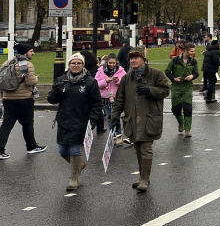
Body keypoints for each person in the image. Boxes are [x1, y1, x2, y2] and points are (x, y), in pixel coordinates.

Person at [110, 48, 170, 193]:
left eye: (136, 58)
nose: (133, 61)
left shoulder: (156, 74)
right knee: (137, 148)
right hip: (132, 118)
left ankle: (144, 179)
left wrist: (150, 90)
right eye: (131, 58)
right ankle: (143, 176)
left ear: (143, 59)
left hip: (149, 118)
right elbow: (120, 99)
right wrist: (115, 116)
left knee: (146, 149)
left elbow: (165, 90)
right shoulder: (126, 78)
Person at [47, 53, 102, 191]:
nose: (76, 65)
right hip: (64, 120)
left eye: (79, 63)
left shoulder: (90, 82)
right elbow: (51, 100)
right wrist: (56, 92)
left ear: (82, 65)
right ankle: (78, 165)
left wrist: (93, 120)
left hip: (81, 121)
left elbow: (97, 103)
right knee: (62, 150)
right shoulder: (61, 80)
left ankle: (74, 179)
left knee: (74, 149)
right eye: (73, 63)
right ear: (69, 65)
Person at [0, 43, 46, 159]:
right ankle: (31, 146)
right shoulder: (26, 64)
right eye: (31, 51)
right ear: (25, 52)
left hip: (8, 99)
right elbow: (30, 82)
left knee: (6, 125)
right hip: (24, 99)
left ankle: (0, 149)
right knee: (27, 124)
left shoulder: (7, 63)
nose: (33, 53)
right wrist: (36, 78)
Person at [165, 42, 199, 137]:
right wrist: (174, 79)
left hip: (187, 87)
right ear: (185, 51)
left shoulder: (193, 61)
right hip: (176, 87)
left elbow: (196, 73)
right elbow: (167, 71)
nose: (193, 53)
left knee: (187, 108)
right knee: (175, 109)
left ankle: (187, 130)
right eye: (191, 51)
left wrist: (192, 76)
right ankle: (181, 122)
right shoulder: (175, 60)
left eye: (193, 51)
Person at [95, 53, 126, 145]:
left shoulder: (121, 71)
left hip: (117, 97)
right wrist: (106, 81)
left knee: (115, 116)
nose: (112, 64)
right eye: (110, 63)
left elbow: (125, 82)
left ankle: (119, 134)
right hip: (105, 98)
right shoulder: (100, 71)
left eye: (114, 63)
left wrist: (117, 81)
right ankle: (112, 134)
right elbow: (96, 83)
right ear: (107, 62)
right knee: (109, 117)